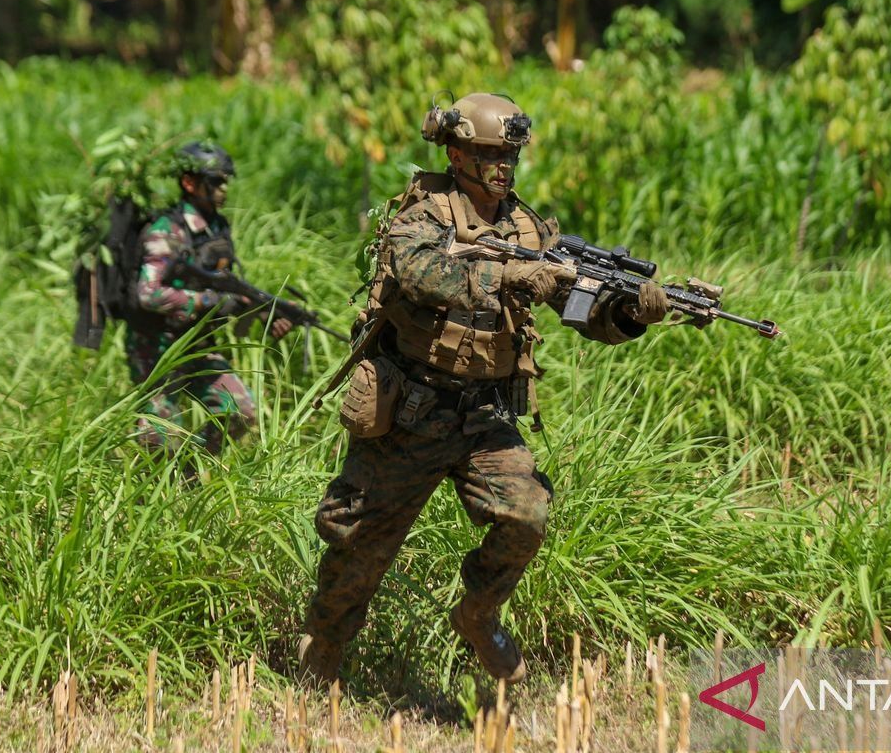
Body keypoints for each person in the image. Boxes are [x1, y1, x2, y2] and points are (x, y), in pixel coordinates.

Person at [298, 94, 669, 685]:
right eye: (489, 154)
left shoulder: (529, 227)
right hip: (412, 414)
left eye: (510, 156)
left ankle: (476, 615)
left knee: (527, 514)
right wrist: (506, 273)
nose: (502, 167)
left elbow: (578, 309)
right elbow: (418, 273)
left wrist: (627, 312)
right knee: (359, 545)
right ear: (456, 154)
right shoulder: (420, 217)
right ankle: (323, 657)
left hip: (485, 417)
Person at [126, 141, 291, 460]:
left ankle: (190, 466)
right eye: (216, 180)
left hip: (199, 343)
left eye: (225, 180)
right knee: (159, 433)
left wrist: (259, 311)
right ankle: (165, 488)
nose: (224, 187)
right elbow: (148, 293)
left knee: (241, 411)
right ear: (189, 183)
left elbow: (226, 284)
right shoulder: (168, 230)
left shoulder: (216, 227)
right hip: (157, 346)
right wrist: (209, 302)